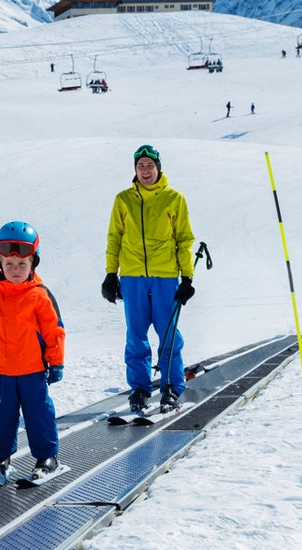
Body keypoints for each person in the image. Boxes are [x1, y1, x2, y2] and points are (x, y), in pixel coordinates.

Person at [0, 221, 66, 487]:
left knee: (39, 414)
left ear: (33, 263)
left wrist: (56, 362)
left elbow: (54, 330)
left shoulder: (40, 295)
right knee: (1, 417)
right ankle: (0, 461)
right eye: (8, 264)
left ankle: (48, 458)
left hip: (33, 369)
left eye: (21, 264)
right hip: (0, 372)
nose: (15, 270)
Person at [102, 144, 197, 413]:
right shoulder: (123, 200)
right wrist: (111, 274)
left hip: (165, 276)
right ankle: (141, 388)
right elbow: (114, 238)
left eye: (150, 166)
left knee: (167, 333)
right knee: (136, 336)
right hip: (132, 276)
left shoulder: (173, 198)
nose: (145, 171)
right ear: (135, 170)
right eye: (141, 166)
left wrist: (187, 277)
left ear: (158, 168)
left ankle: (171, 387)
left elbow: (184, 239)